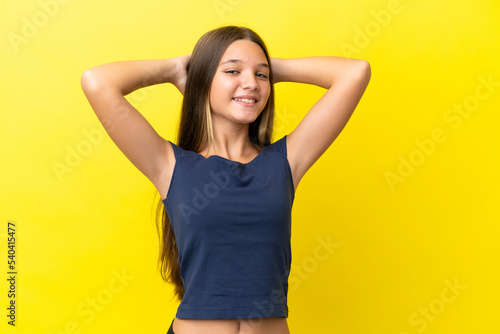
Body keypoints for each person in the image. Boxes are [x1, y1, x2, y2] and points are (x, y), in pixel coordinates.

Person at [81, 25, 370, 334]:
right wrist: (175, 69)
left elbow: (355, 73)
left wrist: (270, 68)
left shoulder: (285, 161)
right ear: (204, 79)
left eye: (261, 76)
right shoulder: (170, 165)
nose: (251, 83)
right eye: (232, 71)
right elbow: (97, 82)